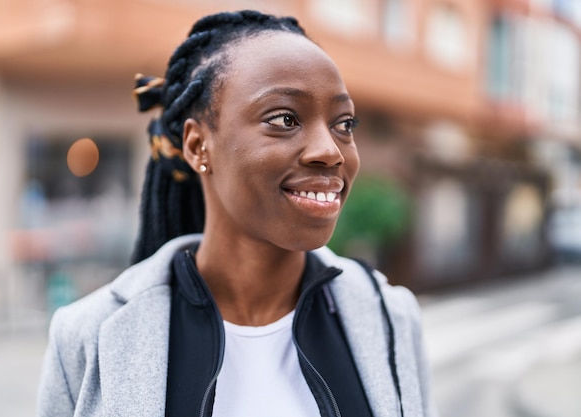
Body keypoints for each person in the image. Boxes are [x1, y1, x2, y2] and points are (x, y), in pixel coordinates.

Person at [37, 10, 436, 417]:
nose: (330, 151)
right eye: (285, 118)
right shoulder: (87, 335)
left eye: (343, 123)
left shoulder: (391, 317)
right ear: (197, 146)